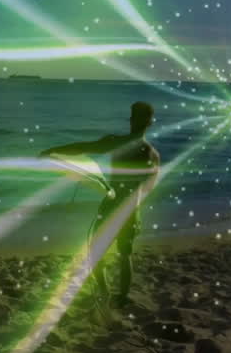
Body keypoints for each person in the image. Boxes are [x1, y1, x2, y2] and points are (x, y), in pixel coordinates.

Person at [39, 101, 160, 308]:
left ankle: (104, 291)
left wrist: (53, 150)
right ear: (150, 123)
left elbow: (84, 147)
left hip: (112, 204)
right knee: (124, 254)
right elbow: (147, 189)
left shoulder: (117, 142)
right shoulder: (153, 155)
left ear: (131, 119)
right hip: (131, 208)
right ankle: (121, 298)